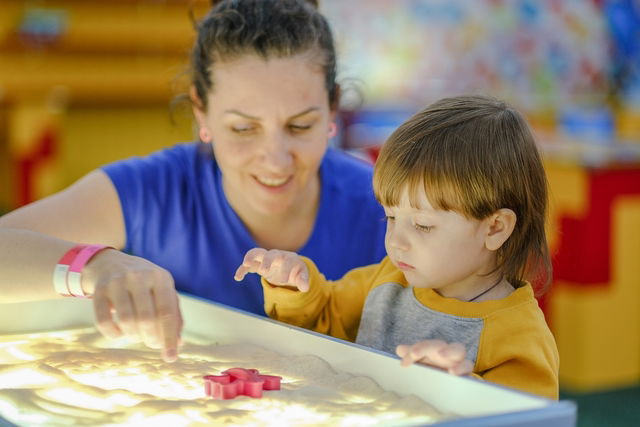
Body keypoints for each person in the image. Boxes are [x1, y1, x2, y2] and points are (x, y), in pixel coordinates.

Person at [0, 0, 387, 362]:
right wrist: (93, 266)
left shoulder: (386, 206)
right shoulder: (152, 192)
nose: (275, 158)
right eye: (243, 128)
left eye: (300, 125)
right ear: (201, 112)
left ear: (333, 107)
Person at [234, 95, 560, 399]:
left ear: (495, 228)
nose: (395, 241)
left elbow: (527, 417)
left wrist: (460, 390)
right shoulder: (389, 279)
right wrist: (294, 284)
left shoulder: (518, 336)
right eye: (391, 217)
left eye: (422, 225)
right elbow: (323, 319)